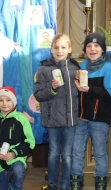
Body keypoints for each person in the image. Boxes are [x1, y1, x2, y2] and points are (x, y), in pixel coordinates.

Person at [71, 32, 111, 190]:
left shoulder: (109, 67)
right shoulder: (83, 66)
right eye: (89, 46)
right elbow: (80, 93)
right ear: (85, 49)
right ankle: (76, 183)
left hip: (99, 118)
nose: (92, 49)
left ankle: (101, 184)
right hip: (81, 118)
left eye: (96, 45)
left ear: (103, 49)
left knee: (99, 152)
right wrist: (77, 85)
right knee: (77, 151)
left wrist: (89, 88)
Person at [34, 34, 80, 190]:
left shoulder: (76, 68)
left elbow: (80, 94)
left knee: (67, 155)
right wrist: (52, 89)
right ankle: (52, 183)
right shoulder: (43, 69)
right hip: (52, 119)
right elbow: (38, 95)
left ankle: (65, 184)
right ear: (51, 49)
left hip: (70, 120)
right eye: (56, 47)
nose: (59, 51)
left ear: (70, 49)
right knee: (53, 153)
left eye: (63, 47)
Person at [0, 86, 35, 190]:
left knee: (18, 171)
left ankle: (14, 187)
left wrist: (14, 153)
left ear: (14, 101)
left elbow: (30, 142)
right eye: (1, 100)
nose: (4, 103)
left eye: (8, 100)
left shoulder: (22, 119)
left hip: (16, 157)